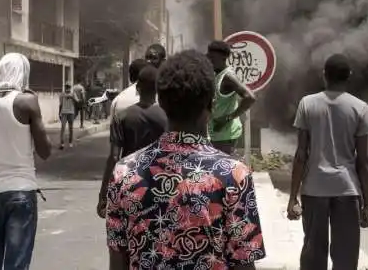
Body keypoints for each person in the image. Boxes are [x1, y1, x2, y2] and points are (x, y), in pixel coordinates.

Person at [105, 50, 266, 269]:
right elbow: (243, 262)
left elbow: (117, 263)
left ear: (160, 101)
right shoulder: (234, 174)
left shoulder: (124, 172)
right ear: (211, 104)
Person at [287, 53, 368, 270]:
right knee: (346, 257)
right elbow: (363, 161)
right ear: (349, 76)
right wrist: (366, 204)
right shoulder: (360, 108)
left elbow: (301, 154)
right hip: (347, 190)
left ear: (324, 75)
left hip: (314, 189)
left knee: (313, 254)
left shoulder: (307, 104)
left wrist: (292, 198)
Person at [0, 53, 52, 270]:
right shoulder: (27, 101)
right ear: (23, 73)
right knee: (17, 264)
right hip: (21, 191)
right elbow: (45, 151)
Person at [96, 65, 168, 218]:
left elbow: (114, 157)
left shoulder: (122, 116)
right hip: (159, 184)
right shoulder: (167, 118)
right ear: (157, 89)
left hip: (129, 183)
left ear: (138, 87)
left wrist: (103, 194)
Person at [206, 40, 257, 155]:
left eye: (212, 58)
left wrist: (228, 118)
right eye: (208, 56)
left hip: (225, 135)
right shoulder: (216, 74)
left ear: (223, 58)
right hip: (216, 133)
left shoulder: (228, 77)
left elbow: (250, 97)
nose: (209, 60)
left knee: (221, 169)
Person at [110, 43, 167, 118]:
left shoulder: (168, 92)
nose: (149, 61)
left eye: (154, 58)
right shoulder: (122, 98)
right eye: (147, 58)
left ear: (163, 61)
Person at [59, 84, 78, 150]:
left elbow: (77, 102)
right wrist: (59, 113)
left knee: (71, 128)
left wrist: (72, 97)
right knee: (63, 127)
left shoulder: (73, 94)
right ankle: (62, 143)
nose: (67, 88)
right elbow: (60, 104)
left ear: (70, 88)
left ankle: (70, 142)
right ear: (65, 87)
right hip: (64, 113)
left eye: (69, 87)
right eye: (66, 87)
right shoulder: (62, 94)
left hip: (71, 112)